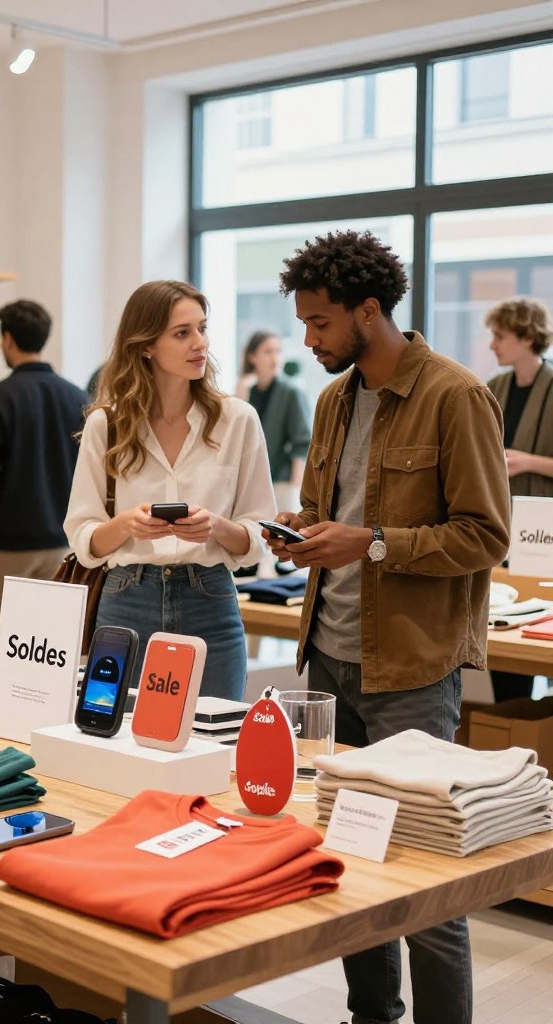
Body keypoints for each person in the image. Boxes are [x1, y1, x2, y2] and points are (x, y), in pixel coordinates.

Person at [269, 230, 510, 1024]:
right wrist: (301, 533)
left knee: (427, 883)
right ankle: (370, 1016)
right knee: (350, 862)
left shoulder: (455, 395)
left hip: (411, 669)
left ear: (368, 311)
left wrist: (370, 543)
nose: (310, 339)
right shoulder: (335, 400)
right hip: (328, 660)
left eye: (321, 322)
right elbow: (327, 513)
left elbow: (485, 536)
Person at [64, 280, 275, 701]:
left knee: (215, 734)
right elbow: (83, 538)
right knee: (119, 733)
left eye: (202, 328)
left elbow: (258, 536)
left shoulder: (238, 420)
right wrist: (126, 525)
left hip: (211, 601)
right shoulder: (107, 425)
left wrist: (215, 527)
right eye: (182, 333)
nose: (200, 343)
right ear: (146, 345)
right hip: (126, 601)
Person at [0, 300, 89, 641]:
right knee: (53, 647)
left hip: (7, 546)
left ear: (7, 340)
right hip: (64, 545)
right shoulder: (78, 397)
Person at [484, 295, 552, 701]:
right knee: (506, 644)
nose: (492, 344)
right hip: (502, 528)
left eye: (500, 336)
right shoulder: (494, 388)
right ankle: (513, 718)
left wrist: (527, 462)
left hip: (544, 534)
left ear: (527, 337)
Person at [236, 329, 312, 513]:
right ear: (252, 357)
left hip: (281, 483)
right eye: (268, 352)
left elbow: (302, 444)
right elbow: (237, 436)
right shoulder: (245, 390)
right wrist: (241, 395)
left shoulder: (291, 392)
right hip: (250, 482)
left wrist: (295, 490)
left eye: (278, 351)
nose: (275, 358)